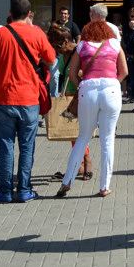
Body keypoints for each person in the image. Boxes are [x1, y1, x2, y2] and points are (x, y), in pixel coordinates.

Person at [0, 0, 56, 203]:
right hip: (29, 99)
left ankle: (4, 191)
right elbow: (52, 60)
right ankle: (24, 189)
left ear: (10, 12)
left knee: (5, 146)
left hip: (3, 98)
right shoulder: (37, 33)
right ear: (29, 14)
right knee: (27, 146)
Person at [56, 19, 129, 198]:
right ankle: (104, 186)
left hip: (88, 89)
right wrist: (113, 84)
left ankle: (67, 181)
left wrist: (83, 85)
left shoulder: (82, 46)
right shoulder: (114, 44)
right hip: (111, 89)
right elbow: (124, 71)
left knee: (83, 136)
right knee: (107, 139)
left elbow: (72, 73)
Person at [46, 24, 93, 182]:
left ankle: (87, 162)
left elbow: (92, 69)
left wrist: (82, 73)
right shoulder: (61, 54)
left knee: (80, 132)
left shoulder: (80, 51)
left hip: (80, 95)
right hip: (67, 95)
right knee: (72, 133)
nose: (56, 50)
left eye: (57, 46)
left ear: (66, 42)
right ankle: (80, 163)